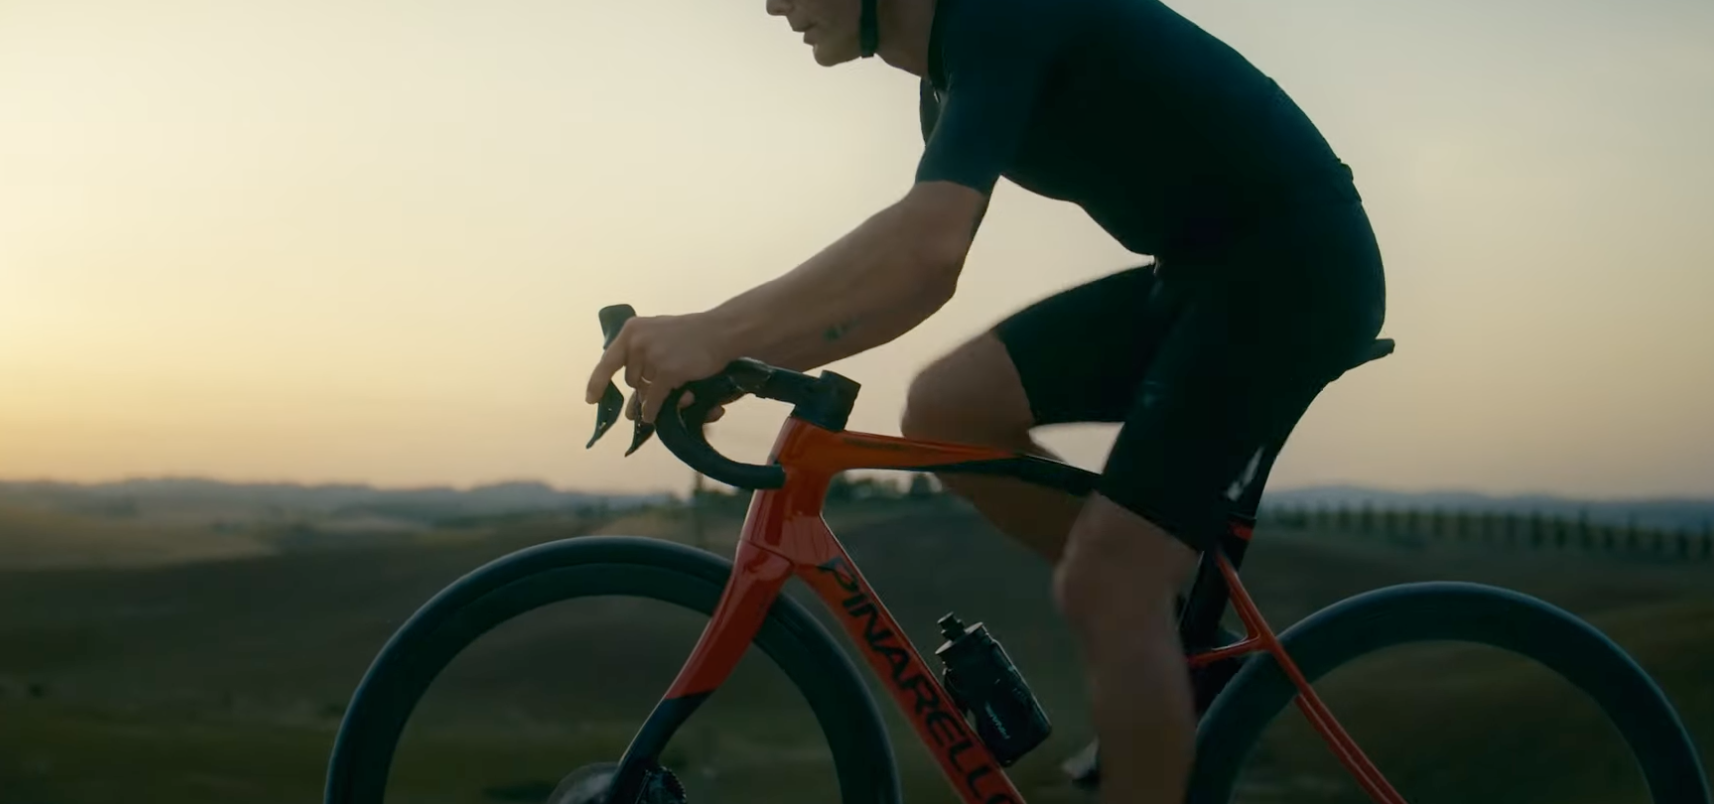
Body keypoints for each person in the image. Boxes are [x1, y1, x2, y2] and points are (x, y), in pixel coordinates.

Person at [584, 0, 1386, 799]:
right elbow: (907, 286)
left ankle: (1138, 614)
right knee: (947, 406)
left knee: (1109, 581)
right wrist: (735, 361)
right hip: (1202, 277)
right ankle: (1178, 642)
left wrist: (718, 334)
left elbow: (927, 249)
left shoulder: (997, 13)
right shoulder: (947, 74)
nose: (772, 3)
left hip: (1296, 274)